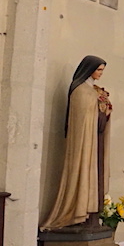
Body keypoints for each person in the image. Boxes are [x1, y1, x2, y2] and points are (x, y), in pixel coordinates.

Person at [41, 56, 112, 230]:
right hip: (84, 143)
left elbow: (98, 114)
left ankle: (92, 214)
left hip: (96, 141)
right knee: (83, 173)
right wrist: (99, 110)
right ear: (89, 69)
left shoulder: (94, 90)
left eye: (102, 70)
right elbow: (83, 118)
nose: (101, 74)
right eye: (99, 70)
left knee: (96, 174)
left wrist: (105, 110)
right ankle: (79, 212)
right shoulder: (80, 91)